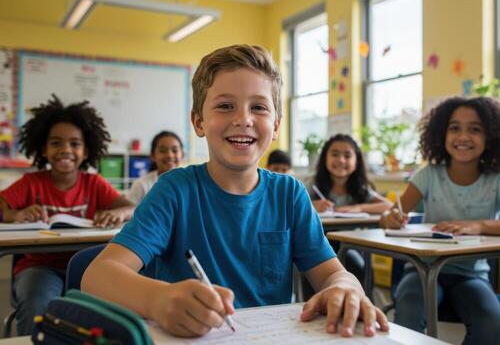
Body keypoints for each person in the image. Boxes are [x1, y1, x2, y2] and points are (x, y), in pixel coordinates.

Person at [82, 44, 388, 338]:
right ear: (198, 122)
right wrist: (157, 300)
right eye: (225, 106)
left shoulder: (290, 194)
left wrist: (346, 287)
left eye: (258, 107)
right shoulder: (174, 190)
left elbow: (333, 274)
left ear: (276, 125)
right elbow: (97, 276)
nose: (243, 119)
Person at [0, 95, 135, 335]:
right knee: (37, 306)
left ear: (86, 150)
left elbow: (132, 207)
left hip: (88, 265)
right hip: (39, 267)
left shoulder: (93, 183)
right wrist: (15, 214)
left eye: (75, 143)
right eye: (56, 143)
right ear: (43, 148)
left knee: (108, 311)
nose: (65, 150)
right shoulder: (31, 183)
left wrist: (117, 212)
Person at [380, 97, 500, 344]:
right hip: (422, 269)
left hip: (471, 275)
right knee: (410, 311)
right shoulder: (428, 175)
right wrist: (391, 218)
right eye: (454, 128)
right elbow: (389, 215)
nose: (463, 136)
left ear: (490, 136)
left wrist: (478, 225)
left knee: (491, 321)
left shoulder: (495, 179)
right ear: (441, 134)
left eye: (475, 129)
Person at [307, 134, 392, 282]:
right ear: (324, 158)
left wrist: (359, 208)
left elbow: (389, 205)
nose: (341, 160)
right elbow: (291, 206)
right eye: (334, 154)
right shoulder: (313, 185)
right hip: (317, 245)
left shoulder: (360, 188)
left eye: (347, 155)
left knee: (355, 264)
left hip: (351, 246)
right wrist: (312, 205)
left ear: (357, 161)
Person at [127, 130, 184, 204]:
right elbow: (131, 212)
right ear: (152, 156)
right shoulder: (141, 185)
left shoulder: (189, 183)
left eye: (174, 150)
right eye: (163, 151)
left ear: (182, 155)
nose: (169, 155)